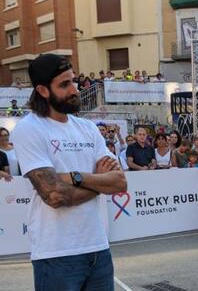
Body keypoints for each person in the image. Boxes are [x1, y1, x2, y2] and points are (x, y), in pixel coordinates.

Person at [10, 53, 127, 290]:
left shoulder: (88, 128)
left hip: (98, 249)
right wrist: (98, 183)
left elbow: (119, 183)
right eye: (64, 84)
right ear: (43, 90)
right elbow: (55, 196)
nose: (74, 89)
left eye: (73, 81)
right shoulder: (28, 129)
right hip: (56, 254)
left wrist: (74, 177)